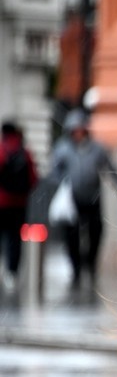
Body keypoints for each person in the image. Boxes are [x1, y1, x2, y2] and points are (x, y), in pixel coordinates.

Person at [49, 108, 117, 287]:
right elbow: (54, 171)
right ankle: (76, 267)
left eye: (82, 129)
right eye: (75, 130)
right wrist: (62, 183)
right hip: (72, 199)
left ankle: (91, 264)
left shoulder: (97, 149)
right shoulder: (62, 149)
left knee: (96, 231)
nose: (79, 133)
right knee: (71, 235)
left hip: (93, 197)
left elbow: (110, 168)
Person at [0, 121, 38, 288]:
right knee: (15, 238)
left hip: (1, 203)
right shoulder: (25, 152)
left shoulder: (2, 150)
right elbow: (33, 178)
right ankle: (12, 273)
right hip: (19, 204)